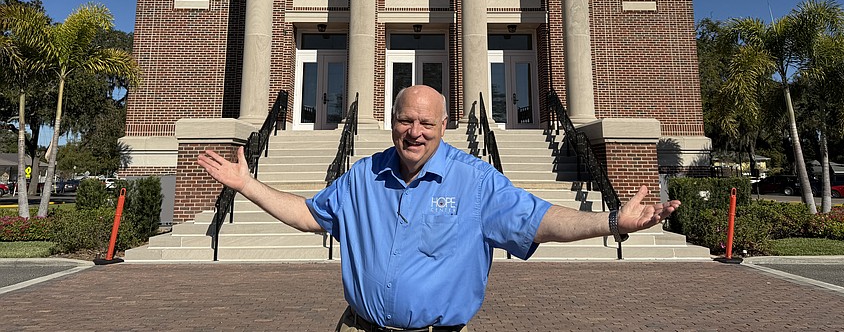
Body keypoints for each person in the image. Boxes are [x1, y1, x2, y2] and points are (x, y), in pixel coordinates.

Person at [198, 85, 680, 331]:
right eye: (406, 120)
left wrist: (611, 221)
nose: (415, 131)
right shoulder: (363, 175)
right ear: (392, 122)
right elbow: (309, 214)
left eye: (426, 122)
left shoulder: (475, 181)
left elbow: (539, 221)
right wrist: (248, 185)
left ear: (444, 125)